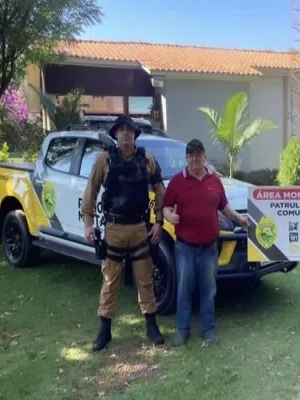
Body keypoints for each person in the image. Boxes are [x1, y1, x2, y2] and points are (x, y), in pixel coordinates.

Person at [81, 115, 166, 351]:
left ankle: (151, 327)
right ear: (116, 134)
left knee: (145, 279)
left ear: (135, 134)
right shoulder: (104, 160)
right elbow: (90, 191)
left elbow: (160, 190)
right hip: (114, 229)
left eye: (130, 129)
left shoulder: (147, 159)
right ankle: (104, 331)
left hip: (140, 228)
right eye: (122, 129)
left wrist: (159, 222)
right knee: (110, 281)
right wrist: (88, 224)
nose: (126, 133)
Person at [162, 139, 249, 346]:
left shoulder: (214, 180)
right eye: (191, 155)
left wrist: (240, 219)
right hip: (185, 247)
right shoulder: (177, 181)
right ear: (186, 158)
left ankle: (208, 328)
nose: (195, 159)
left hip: (209, 247)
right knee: (184, 289)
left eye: (198, 155)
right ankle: (182, 330)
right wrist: (169, 216)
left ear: (205, 157)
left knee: (209, 290)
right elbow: (165, 207)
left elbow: (224, 207)